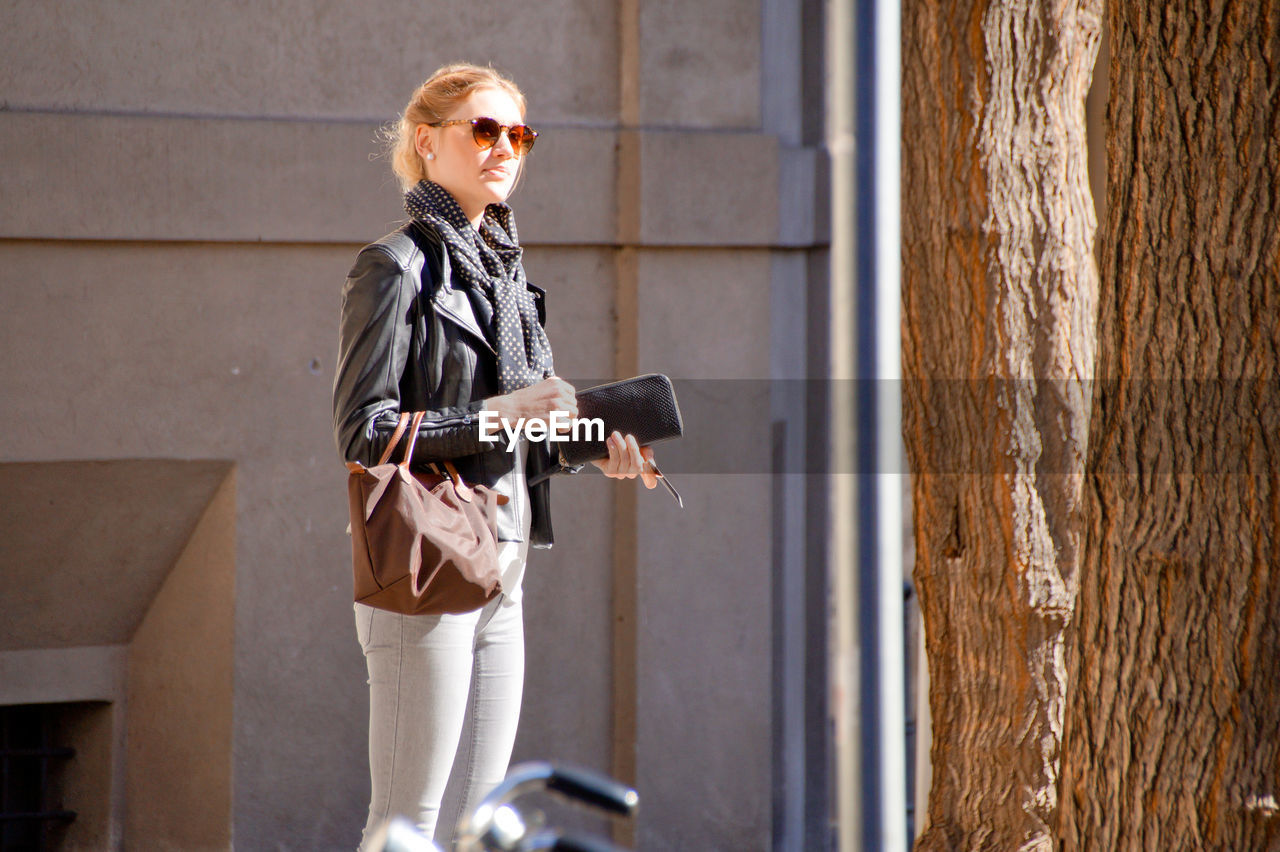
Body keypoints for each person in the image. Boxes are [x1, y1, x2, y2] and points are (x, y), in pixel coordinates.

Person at [331, 63, 658, 849]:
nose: (503, 147)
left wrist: (593, 449)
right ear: (426, 141)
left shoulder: (509, 276)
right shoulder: (396, 266)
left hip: (503, 566)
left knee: (483, 828)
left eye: (518, 134)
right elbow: (363, 431)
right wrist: (494, 413)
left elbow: (519, 439)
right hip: (427, 568)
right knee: (407, 824)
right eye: (482, 130)